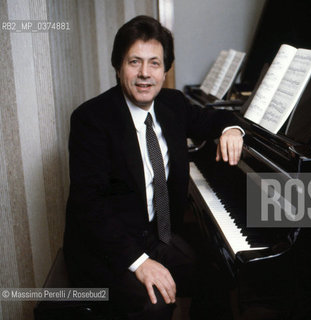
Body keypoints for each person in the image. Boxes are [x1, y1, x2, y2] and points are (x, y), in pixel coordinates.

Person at [63, 15, 243, 319]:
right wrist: (139, 262)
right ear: (118, 66)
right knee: (156, 303)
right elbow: (89, 207)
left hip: (155, 234)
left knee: (218, 274)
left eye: (154, 63)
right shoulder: (91, 119)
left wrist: (232, 131)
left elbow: (216, 119)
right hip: (107, 247)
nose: (144, 74)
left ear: (166, 69)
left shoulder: (173, 104)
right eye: (134, 62)